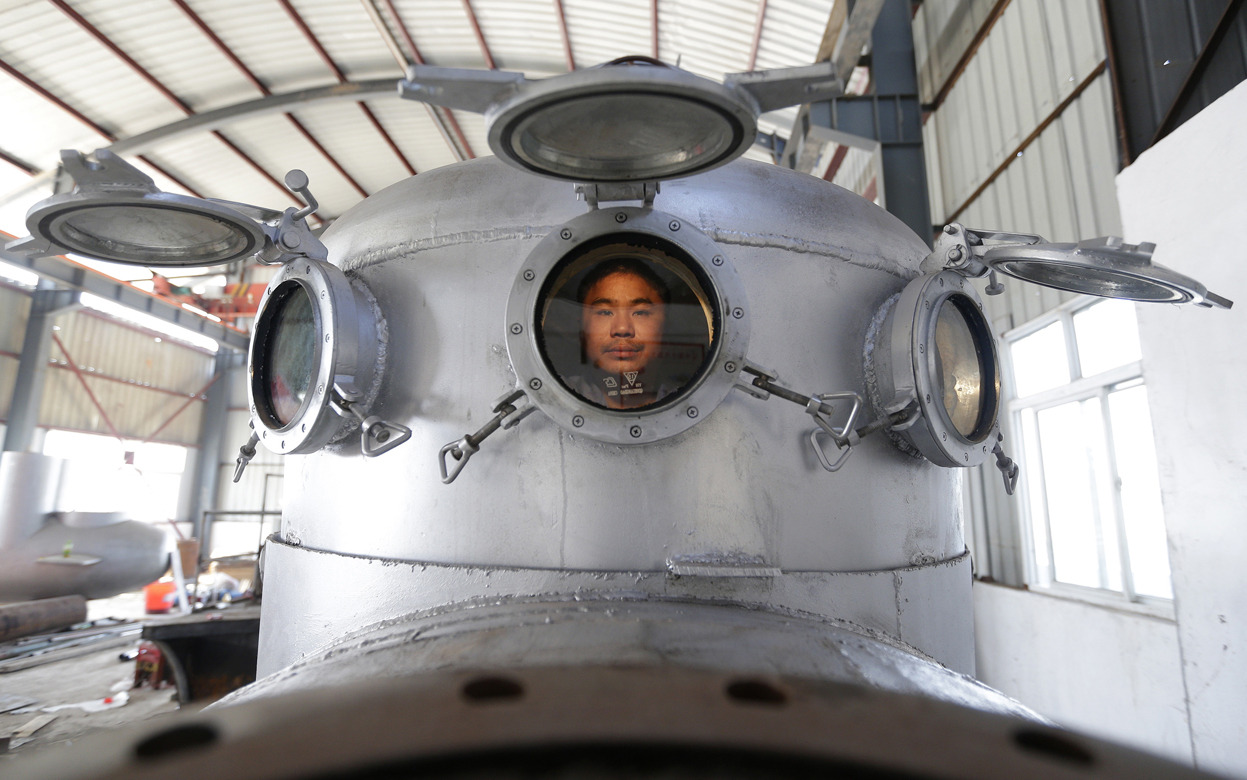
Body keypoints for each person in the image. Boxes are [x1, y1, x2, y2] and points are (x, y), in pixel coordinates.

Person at [568, 258, 674, 409]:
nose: (622, 328)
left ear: (666, 329)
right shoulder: (548, 396)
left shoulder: (694, 400)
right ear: (581, 330)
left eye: (640, 312)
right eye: (604, 312)